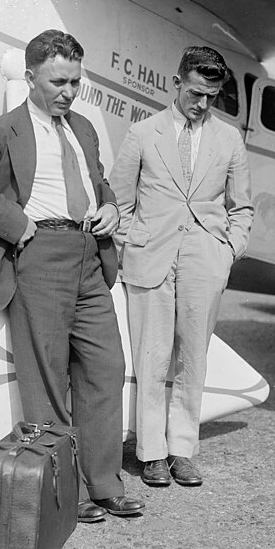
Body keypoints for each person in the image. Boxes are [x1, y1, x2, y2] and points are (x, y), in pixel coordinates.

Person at [0, 29, 144, 522]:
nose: (69, 93)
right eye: (58, 82)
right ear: (30, 78)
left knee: (106, 368)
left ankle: (104, 484)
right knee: (47, 378)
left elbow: (98, 184)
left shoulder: (85, 128)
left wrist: (112, 210)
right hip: (39, 254)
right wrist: (15, 222)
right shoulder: (1, 130)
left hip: (89, 256)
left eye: (75, 82)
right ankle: (64, 490)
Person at [109, 45, 254, 487]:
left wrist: (226, 251)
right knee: (151, 359)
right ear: (176, 82)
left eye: (211, 97)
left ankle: (182, 450)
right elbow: (118, 201)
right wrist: (134, 240)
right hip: (150, 255)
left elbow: (242, 207)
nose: (202, 104)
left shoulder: (230, 139)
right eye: (195, 93)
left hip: (204, 261)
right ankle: (151, 452)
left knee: (193, 360)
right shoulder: (141, 133)